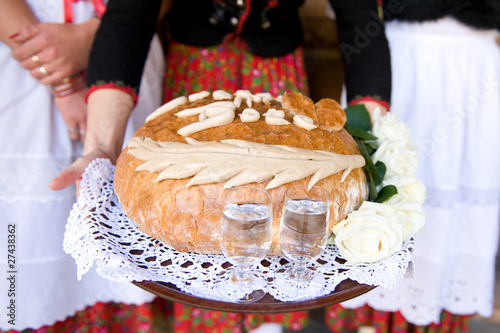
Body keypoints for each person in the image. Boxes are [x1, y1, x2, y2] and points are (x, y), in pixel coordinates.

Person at [50, 0, 392, 332]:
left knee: (284, 217)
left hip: (278, 80)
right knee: (197, 214)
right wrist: (99, 148)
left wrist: (375, 143)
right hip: (198, 76)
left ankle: (269, 323)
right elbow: (130, 13)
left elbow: (359, 15)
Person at [325, 0, 500, 332]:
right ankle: (370, 322)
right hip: (395, 63)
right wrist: (370, 95)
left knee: (450, 219)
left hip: (478, 70)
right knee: (383, 197)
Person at [0, 0, 167, 331]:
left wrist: (89, 37)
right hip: (24, 51)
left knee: (122, 236)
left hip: (124, 53)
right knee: (28, 233)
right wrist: (60, 80)